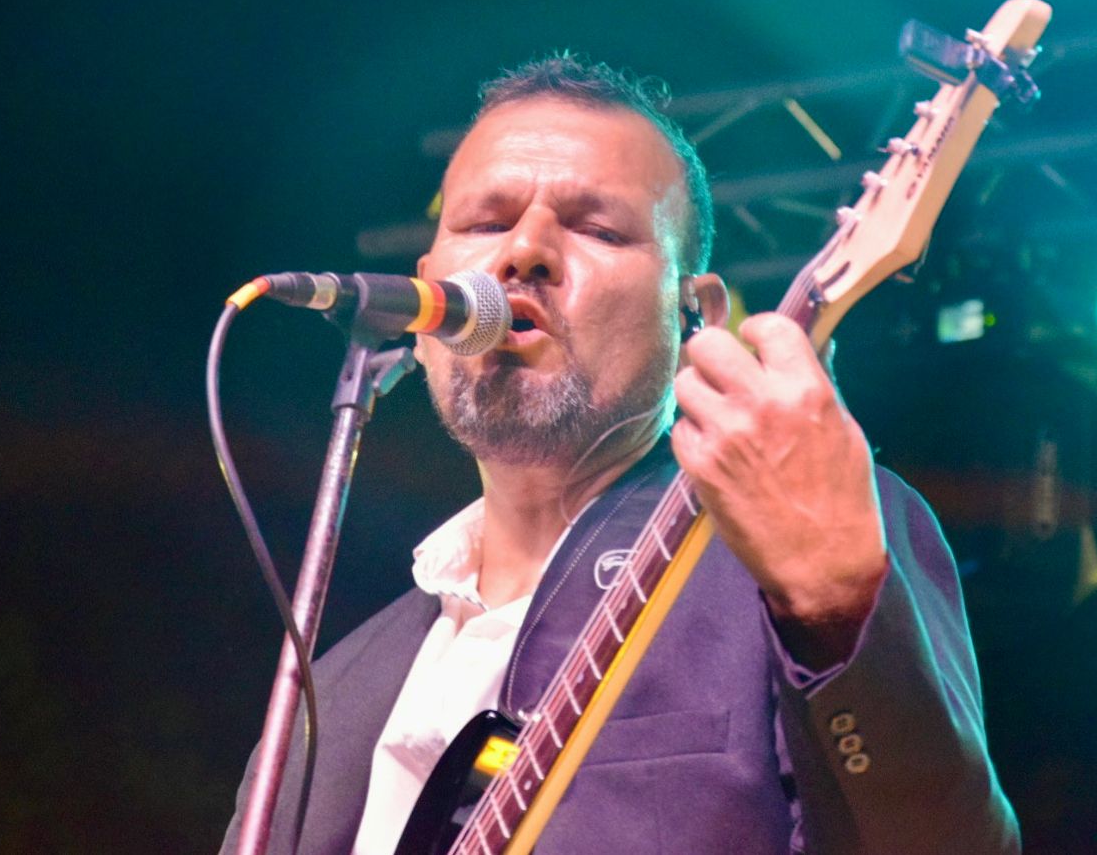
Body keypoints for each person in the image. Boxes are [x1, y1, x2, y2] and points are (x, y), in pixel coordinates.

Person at [221, 55, 1019, 854]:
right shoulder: (328, 696)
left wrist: (837, 606)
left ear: (695, 316)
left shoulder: (805, 544)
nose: (524, 251)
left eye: (599, 230)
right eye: (486, 224)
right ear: (423, 299)